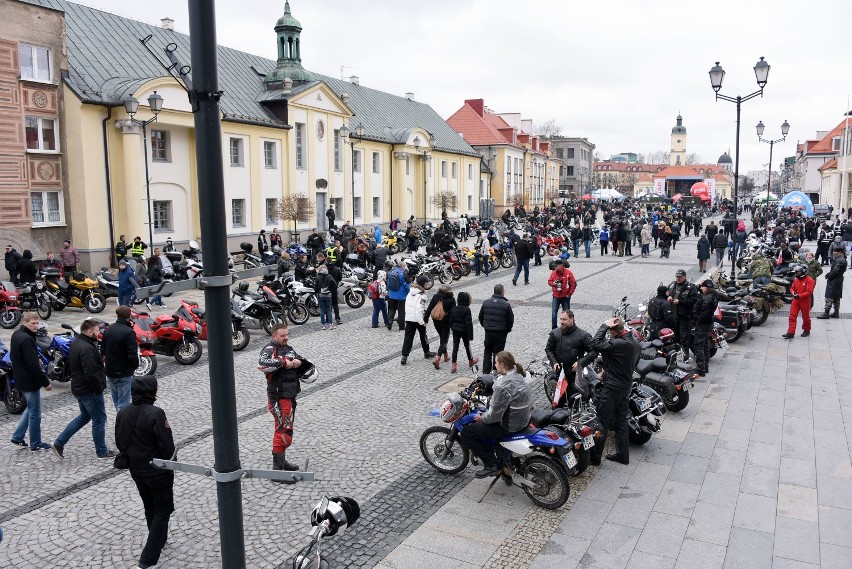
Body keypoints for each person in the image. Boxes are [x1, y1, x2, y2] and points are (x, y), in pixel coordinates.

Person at [115, 375, 176, 569]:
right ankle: (148, 558)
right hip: (157, 470)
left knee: (149, 505)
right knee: (163, 509)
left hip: (136, 469)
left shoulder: (123, 412)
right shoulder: (155, 413)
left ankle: (157, 537)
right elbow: (166, 444)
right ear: (152, 392)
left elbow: (120, 440)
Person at [51, 319, 117, 459]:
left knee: (84, 417)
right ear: (89, 331)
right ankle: (101, 451)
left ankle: (59, 443)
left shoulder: (77, 343)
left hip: (80, 388)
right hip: (89, 390)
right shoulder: (86, 348)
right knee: (99, 419)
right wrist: (98, 388)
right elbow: (90, 372)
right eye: (97, 331)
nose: (99, 333)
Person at [459, 351, 532, 478]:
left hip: (509, 425)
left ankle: (491, 465)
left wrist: (482, 417)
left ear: (503, 365)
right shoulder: (519, 375)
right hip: (523, 419)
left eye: (496, 363)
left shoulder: (503, 385)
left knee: (467, 433)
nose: (495, 365)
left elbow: (494, 416)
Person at [588, 317, 639, 466]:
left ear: (613, 331)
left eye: (609, 332)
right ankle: (623, 455)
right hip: (625, 385)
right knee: (621, 421)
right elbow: (630, 363)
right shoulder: (634, 341)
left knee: (601, 422)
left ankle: (595, 457)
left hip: (612, 388)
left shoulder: (618, 343)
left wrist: (604, 325)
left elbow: (595, 343)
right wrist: (609, 369)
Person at [257, 323, 304, 478]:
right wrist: (284, 362)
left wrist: (299, 363)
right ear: (274, 336)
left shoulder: (289, 349)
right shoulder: (270, 349)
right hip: (279, 397)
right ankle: (277, 471)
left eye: (287, 334)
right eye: (283, 335)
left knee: (287, 429)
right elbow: (262, 365)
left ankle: (281, 461)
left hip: (290, 396)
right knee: (283, 430)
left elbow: (300, 360)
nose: (286, 338)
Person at [9, 313, 52, 451]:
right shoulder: (27, 339)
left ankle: (17, 437)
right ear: (25, 322)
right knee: (35, 414)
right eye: (32, 323)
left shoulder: (16, 334)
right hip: (29, 381)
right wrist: (45, 382)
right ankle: (36, 443)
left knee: (30, 409)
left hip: (21, 379)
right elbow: (33, 365)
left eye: (37, 323)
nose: (36, 326)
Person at [545, 310, 595, 402]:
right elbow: (549, 349)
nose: (561, 322)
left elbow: (593, 352)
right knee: (558, 402)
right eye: (560, 319)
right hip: (559, 374)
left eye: (564, 319)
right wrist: (554, 362)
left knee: (573, 402)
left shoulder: (583, 335)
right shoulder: (555, 333)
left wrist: (581, 362)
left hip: (575, 375)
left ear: (572, 319)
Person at [100, 305, 140, 412]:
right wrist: (134, 366)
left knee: (117, 402)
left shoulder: (108, 330)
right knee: (124, 405)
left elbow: (102, 350)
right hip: (124, 372)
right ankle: (123, 426)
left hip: (110, 371)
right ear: (129, 316)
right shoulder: (129, 332)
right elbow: (132, 354)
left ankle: (121, 423)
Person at [478, 284, 514, 374]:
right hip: (501, 332)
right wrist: (507, 330)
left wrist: (486, 326)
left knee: (487, 351)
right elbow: (510, 320)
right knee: (498, 353)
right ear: (502, 293)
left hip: (488, 332)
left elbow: (480, 317)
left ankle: (485, 372)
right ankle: (496, 372)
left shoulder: (486, 303)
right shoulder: (506, 304)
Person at [400, 275, 435, 365]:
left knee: (408, 337)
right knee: (423, 336)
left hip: (409, 318)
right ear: (424, 284)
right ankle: (426, 352)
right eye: (427, 283)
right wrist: (422, 322)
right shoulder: (422, 295)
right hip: (418, 319)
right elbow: (419, 309)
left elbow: (406, 305)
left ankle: (404, 356)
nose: (428, 284)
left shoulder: (410, 292)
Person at [668, 269, 699, 354]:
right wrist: (668, 297)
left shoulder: (691, 287)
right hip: (673, 316)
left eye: (680, 277)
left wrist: (680, 302)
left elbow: (693, 300)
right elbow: (667, 292)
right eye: (677, 277)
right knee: (674, 337)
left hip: (684, 317)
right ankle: (676, 355)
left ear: (685, 277)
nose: (678, 279)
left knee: (684, 338)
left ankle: (685, 356)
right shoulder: (672, 284)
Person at [692, 280, 719, 376]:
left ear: (706, 287)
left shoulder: (704, 299)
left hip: (702, 325)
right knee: (705, 346)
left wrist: (696, 321)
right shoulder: (715, 296)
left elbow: (701, 313)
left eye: (702, 287)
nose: (701, 289)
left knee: (698, 346)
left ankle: (700, 369)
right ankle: (705, 366)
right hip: (709, 324)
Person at [426, 286, 455, 369]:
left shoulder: (436, 296)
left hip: (436, 321)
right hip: (446, 322)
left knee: (442, 338)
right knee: (444, 340)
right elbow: (453, 313)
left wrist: (425, 319)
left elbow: (429, 308)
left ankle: (446, 356)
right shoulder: (451, 299)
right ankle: (437, 359)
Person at [783, 265, 815, 339]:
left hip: (805, 301)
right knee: (792, 316)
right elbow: (792, 288)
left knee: (805, 317)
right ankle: (791, 332)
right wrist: (793, 293)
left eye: (798, 272)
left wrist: (799, 296)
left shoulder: (810, 280)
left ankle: (806, 330)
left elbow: (809, 292)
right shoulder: (796, 279)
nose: (797, 273)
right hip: (796, 300)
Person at [449, 291, 477, 373]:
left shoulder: (454, 308)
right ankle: (471, 361)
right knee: (467, 346)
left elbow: (450, 321)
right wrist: (470, 335)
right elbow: (469, 323)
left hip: (456, 331)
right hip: (464, 331)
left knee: (455, 347)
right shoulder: (467, 309)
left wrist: (453, 328)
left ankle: (454, 364)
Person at [816, 247, 846, 319]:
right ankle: (836, 312)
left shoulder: (840, 260)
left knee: (829, 296)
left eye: (835, 252)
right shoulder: (840, 259)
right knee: (836, 296)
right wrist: (829, 273)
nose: (833, 253)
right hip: (838, 280)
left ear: (839, 252)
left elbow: (836, 270)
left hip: (834, 281)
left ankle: (826, 313)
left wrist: (830, 276)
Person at [548, 260, 576, 329]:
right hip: (556, 296)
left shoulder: (568, 272)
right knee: (554, 313)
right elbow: (549, 281)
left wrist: (569, 294)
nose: (554, 267)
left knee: (567, 314)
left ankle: (568, 327)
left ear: (561, 266)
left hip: (565, 297)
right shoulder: (553, 273)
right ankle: (554, 329)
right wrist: (553, 284)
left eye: (556, 266)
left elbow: (573, 284)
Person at [386, 262, 409, 331]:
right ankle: (401, 327)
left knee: (392, 309)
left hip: (392, 295)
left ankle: (390, 322)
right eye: (405, 266)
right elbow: (406, 285)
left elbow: (388, 284)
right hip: (401, 296)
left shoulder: (391, 273)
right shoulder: (402, 274)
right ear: (402, 266)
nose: (405, 267)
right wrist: (409, 292)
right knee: (401, 311)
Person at [314, 264, 337, 330]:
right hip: (328, 295)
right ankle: (330, 324)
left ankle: (323, 325)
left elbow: (315, 287)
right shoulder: (329, 276)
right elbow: (334, 284)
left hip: (321, 295)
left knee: (322, 310)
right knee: (329, 310)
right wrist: (330, 290)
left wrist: (317, 292)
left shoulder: (318, 277)